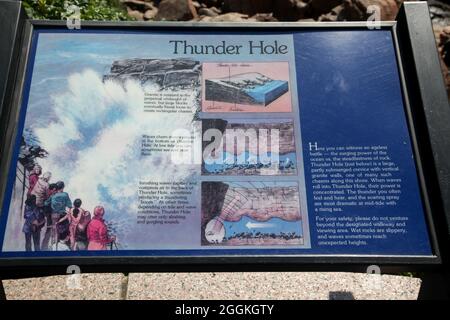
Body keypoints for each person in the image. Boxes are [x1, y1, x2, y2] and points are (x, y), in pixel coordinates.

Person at [42, 181, 72, 250]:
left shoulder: (53, 195)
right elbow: (69, 205)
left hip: (54, 215)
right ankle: (61, 246)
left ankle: (53, 247)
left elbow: (46, 203)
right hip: (62, 215)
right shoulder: (65, 195)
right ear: (63, 187)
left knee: (54, 231)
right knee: (62, 231)